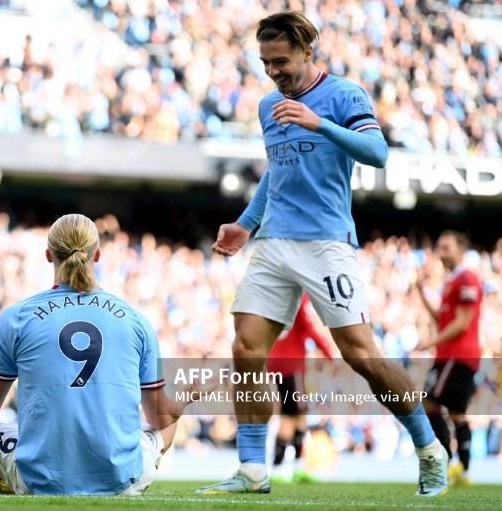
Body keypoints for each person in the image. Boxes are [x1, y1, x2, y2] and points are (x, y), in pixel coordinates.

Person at [198, 11, 447, 496]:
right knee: (246, 348)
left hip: (327, 243)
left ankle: (429, 448)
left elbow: (377, 154)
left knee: (361, 355)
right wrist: (245, 225)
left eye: (281, 61)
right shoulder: (269, 104)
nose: (273, 71)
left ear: (307, 51)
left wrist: (320, 123)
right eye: (266, 62)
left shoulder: (344, 95)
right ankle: (252, 469)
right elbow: (277, 172)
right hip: (273, 243)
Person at [0, 214, 189, 495]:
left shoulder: (17, 318)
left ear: (48, 255)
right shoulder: (135, 320)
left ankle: (18, 474)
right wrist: (184, 402)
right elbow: (160, 419)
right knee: (168, 420)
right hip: (123, 480)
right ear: (98, 255)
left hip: (39, 481)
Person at [415, 231, 483, 486]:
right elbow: (441, 318)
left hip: (456, 355)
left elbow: (463, 323)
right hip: (452, 355)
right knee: (456, 413)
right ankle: (462, 470)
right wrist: (421, 291)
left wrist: (431, 342)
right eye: (438, 246)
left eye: (446, 247)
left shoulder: (467, 278)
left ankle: (446, 462)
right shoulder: (451, 281)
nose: (440, 252)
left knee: (430, 405)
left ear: (461, 250)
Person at [268, 295, 336, 483]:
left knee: (299, 416)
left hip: (277, 361)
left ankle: (297, 467)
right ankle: (277, 468)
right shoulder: (299, 298)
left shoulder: (278, 296)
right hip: (291, 364)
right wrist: (330, 353)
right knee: (290, 417)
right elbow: (309, 328)